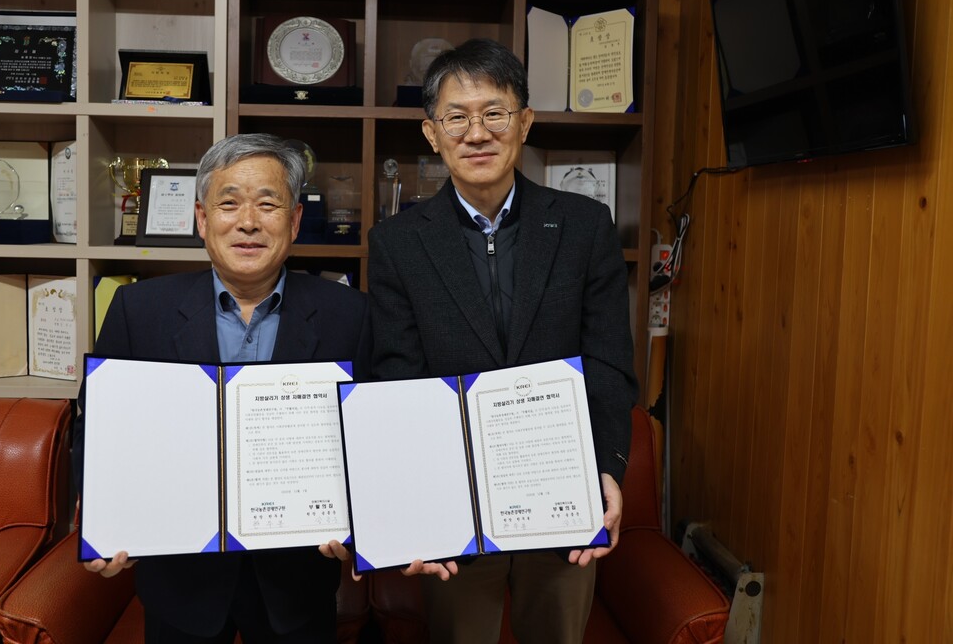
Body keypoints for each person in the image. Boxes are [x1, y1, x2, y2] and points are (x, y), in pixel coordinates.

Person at [367, 38, 638, 643]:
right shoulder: (398, 243)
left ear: (524, 122)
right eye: (457, 117)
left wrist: (607, 469)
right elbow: (396, 377)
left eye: (494, 113)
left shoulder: (583, 225)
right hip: (452, 505)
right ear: (432, 134)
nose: (477, 132)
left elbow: (609, 362)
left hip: (562, 494)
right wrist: (415, 504)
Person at [73, 133, 371, 644]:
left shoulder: (351, 315)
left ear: (295, 221)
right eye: (228, 203)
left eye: (268, 204)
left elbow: (369, 441)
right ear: (202, 219)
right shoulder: (138, 310)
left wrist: (364, 522)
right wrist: (100, 522)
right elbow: (98, 432)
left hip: (296, 585)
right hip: (180, 582)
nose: (248, 222)